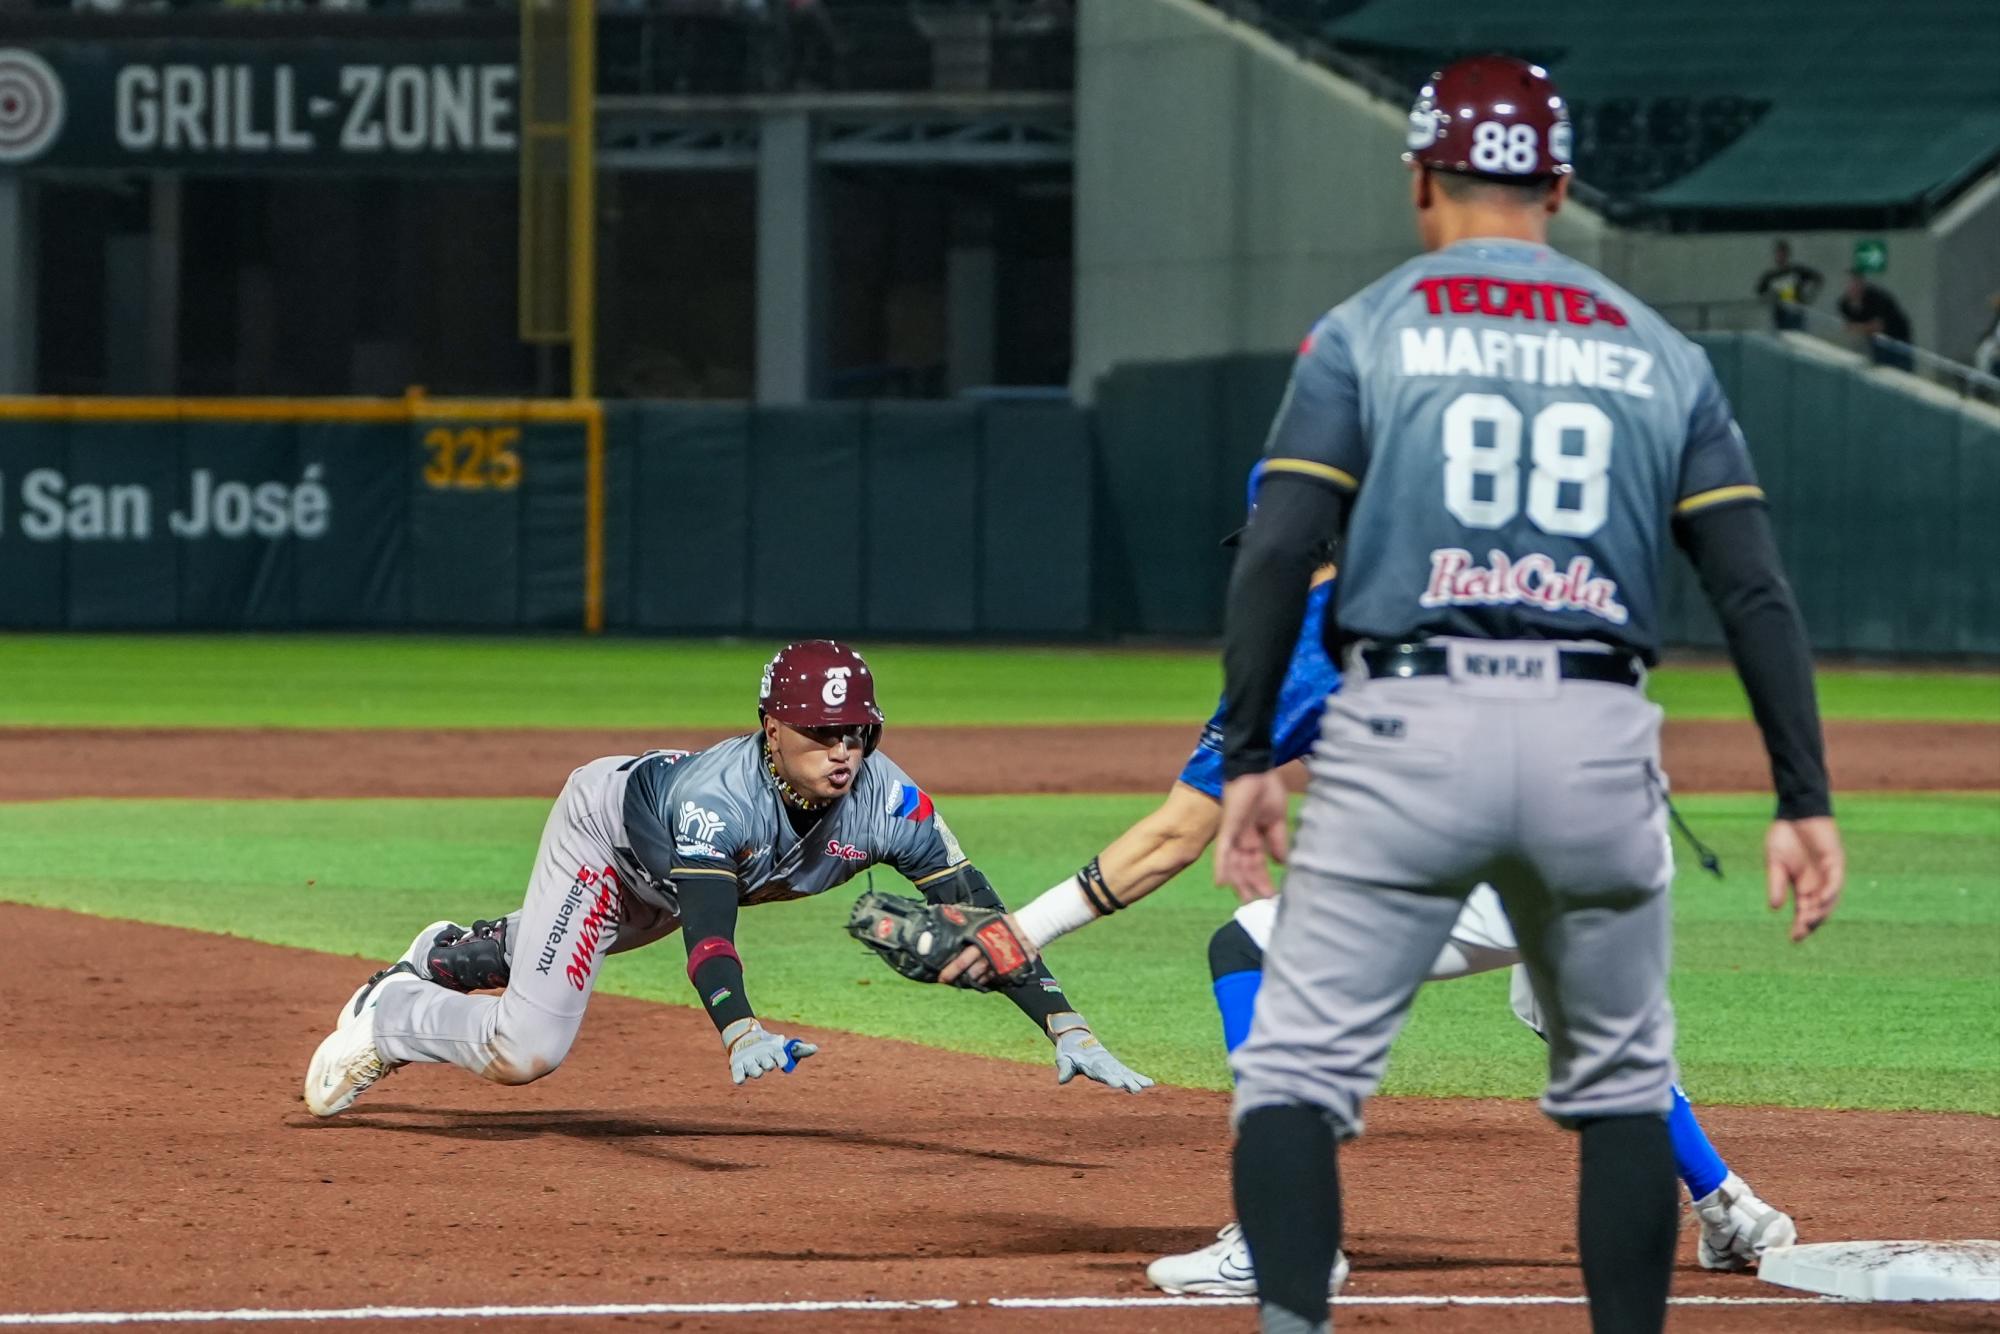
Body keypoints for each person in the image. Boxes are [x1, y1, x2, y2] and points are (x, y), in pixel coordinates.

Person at [1214, 55, 1842, 1334]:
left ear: (1418, 180)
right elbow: (1752, 589)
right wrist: (1801, 795)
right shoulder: (1658, 351)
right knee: (1617, 1090)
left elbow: (1279, 550)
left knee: (1293, 1070)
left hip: (1409, 726)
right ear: (1557, 184)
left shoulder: (1367, 329)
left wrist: (1245, 755)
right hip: (1595, 740)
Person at [955, 545, 1797, 1297]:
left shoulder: (1307, 641)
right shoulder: (1447, 574)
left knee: (1248, 942)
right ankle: (1732, 1210)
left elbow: (1173, 838)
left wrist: (1018, 932)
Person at [301, 639, 1151, 1118]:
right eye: (822, 732)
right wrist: (739, 1030)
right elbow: (709, 933)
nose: (845, 750)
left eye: (858, 730)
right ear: (772, 729)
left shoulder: (893, 802)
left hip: (671, 876)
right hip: (609, 836)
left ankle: (446, 955)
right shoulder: (721, 800)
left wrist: (1063, 1024)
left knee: (563, 945)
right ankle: (397, 1014)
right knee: (527, 1050)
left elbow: (982, 917)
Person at [1838, 270, 1914, 371]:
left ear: (1861, 284)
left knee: (1901, 369)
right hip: (1877, 342)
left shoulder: (1876, 297)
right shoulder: (1844, 305)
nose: (1852, 288)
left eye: (1855, 284)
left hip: (1897, 338)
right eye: (1849, 285)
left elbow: (1877, 326)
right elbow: (1851, 327)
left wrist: (1857, 327)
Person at [1753, 240, 1821, 331]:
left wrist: (1809, 297)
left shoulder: (1797, 271)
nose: (1780, 257)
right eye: (1778, 254)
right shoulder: (1771, 276)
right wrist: (1771, 298)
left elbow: (1817, 279)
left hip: (1796, 314)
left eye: (1783, 254)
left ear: (1787, 255)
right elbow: (1760, 291)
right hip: (1780, 316)